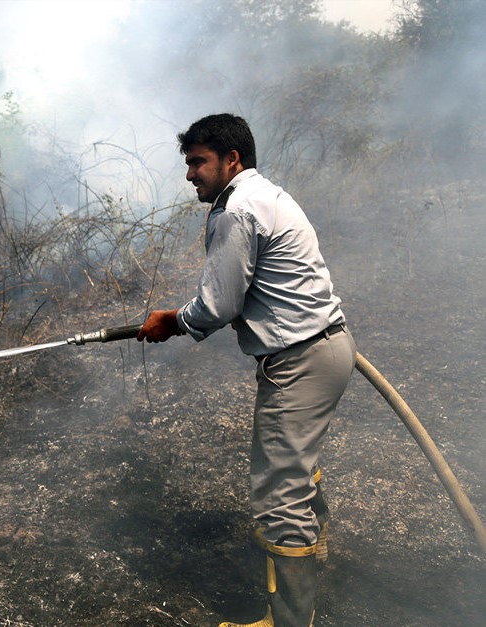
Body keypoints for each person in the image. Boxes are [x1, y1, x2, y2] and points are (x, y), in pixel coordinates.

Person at [137, 113, 356, 627]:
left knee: (279, 496)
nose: (190, 174)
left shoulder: (236, 210)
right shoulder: (268, 195)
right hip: (328, 347)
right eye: (188, 163)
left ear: (231, 159)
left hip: (300, 361)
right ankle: (314, 557)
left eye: (198, 162)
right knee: (292, 469)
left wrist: (174, 320)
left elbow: (218, 305)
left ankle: (288, 620)